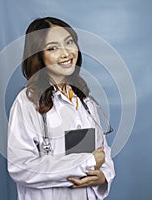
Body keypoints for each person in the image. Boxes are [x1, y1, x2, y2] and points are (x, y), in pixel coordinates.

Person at [7, 17, 115, 200]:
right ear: (38, 55)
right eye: (53, 48)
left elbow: (102, 152)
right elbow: (21, 168)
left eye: (69, 42)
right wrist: (86, 163)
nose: (66, 53)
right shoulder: (26, 102)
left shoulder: (84, 99)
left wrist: (103, 176)